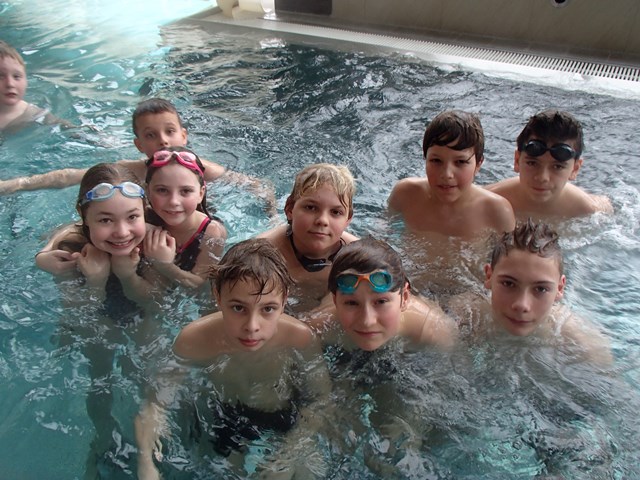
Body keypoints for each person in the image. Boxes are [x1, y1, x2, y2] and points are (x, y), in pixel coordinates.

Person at [134, 238, 330, 479]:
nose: (252, 326)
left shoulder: (299, 338)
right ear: (217, 295)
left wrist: (288, 454)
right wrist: (146, 461)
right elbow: (156, 403)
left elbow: (321, 399)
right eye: (238, 308)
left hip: (284, 412)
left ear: (284, 300)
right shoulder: (194, 340)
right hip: (227, 413)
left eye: (268, 309)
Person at [0, 97, 276, 213]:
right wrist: (16, 184)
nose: (163, 140)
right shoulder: (130, 170)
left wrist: (272, 215)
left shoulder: (205, 169)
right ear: (139, 144)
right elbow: (70, 176)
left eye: (170, 131)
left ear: (184, 136)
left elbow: (258, 186)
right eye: (151, 135)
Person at [447, 219, 613, 366]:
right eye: (508, 284)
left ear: (560, 288)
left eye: (541, 289)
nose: (522, 305)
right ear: (489, 276)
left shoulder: (584, 346)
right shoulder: (464, 314)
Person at [35, 162, 156, 307]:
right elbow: (75, 315)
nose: (122, 233)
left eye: (132, 217)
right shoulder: (71, 251)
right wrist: (96, 280)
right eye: (106, 220)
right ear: (83, 215)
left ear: (144, 210)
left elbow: (156, 306)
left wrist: (127, 276)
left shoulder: (155, 241)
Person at [309, 236, 458, 351]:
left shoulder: (432, 329)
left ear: (404, 298)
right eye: (352, 303)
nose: (367, 321)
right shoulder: (317, 326)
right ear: (335, 301)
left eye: (381, 302)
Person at [388, 109, 515, 239]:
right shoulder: (405, 194)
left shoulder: (497, 211)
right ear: (425, 159)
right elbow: (382, 238)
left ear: (478, 164)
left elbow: (512, 252)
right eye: (436, 160)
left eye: (460, 162)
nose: (447, 174)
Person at [258, 163, 359, 309]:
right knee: (274, 221)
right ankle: (267, 201)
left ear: (348, 220)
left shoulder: (357, 258)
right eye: (311, 208)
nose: (323, 220)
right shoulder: (261, 253)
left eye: (336, 212)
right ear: (290, 209)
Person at [487, 109, 613, 220]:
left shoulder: (588, 210)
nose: (542, 177)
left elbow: (607, 206)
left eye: (557, 167)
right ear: (517, 160)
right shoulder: (489, 201)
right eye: (532, 163)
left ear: (575, 169)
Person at [143, 147, 226, 290]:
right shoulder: (141, 219)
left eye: (186, 191)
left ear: (200, 194)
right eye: (162, 190)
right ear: (148, 191)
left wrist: (164, 265)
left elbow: (199, 285)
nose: (173, 201)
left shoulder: (212, 233)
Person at [0, 40, 73, 133]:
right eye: (0, 76)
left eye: (16, 76)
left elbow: (61, 125)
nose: (10, 83)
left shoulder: (32, 113)